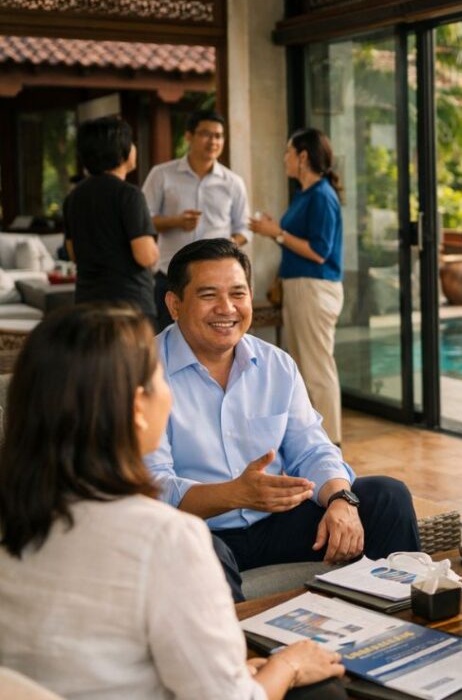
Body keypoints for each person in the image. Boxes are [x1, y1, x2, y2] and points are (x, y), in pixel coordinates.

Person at [0, 305, 346, 698]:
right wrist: (289, 664)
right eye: (157, 380)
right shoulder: (164, 539)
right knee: (323, 690)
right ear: (136, 410)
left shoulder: (21, 524)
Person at [144, 239, 418, 601]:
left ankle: (405, 629)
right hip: (203, 530)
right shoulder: (143, 371)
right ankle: (242, 657)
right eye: (209, 295)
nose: (226, 308)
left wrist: (342, 499)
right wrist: (234, 495)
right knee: (200, 550)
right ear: (175, 304)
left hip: (278, 523)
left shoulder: (276, 365)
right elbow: (152, 487)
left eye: (238, 294)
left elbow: (312, 448)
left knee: (387, 496)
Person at [250, 128, 343, 444]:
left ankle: (330, 445)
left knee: (317, 369)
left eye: (288, 152)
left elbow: (319, 251)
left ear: (303, 157)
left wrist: (275, 232)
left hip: (314, 288)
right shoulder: (306, 195)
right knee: (306, 367)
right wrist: (274, 230)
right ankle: (315, 441)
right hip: (300, 286)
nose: (284, 159)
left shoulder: (321, 196)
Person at [142, 109, 251, 332]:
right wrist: (175, 222)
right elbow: (142, 221)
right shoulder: (161, 174)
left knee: (216, 342)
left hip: (218, 283)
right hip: (170, 277)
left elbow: (244, 230)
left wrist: (225, 247)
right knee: (165, 344)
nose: (213, 141)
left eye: (219, 136)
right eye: (206, 134)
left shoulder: (233, 182)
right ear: (189, 136)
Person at [63, 115, 159, 320]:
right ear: (121, 150)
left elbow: (73, 253)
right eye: (132, 142)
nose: (134, 147)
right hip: (129, 305)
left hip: (87, 305)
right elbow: (146, 255)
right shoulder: (129, 195)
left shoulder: (73, 197)